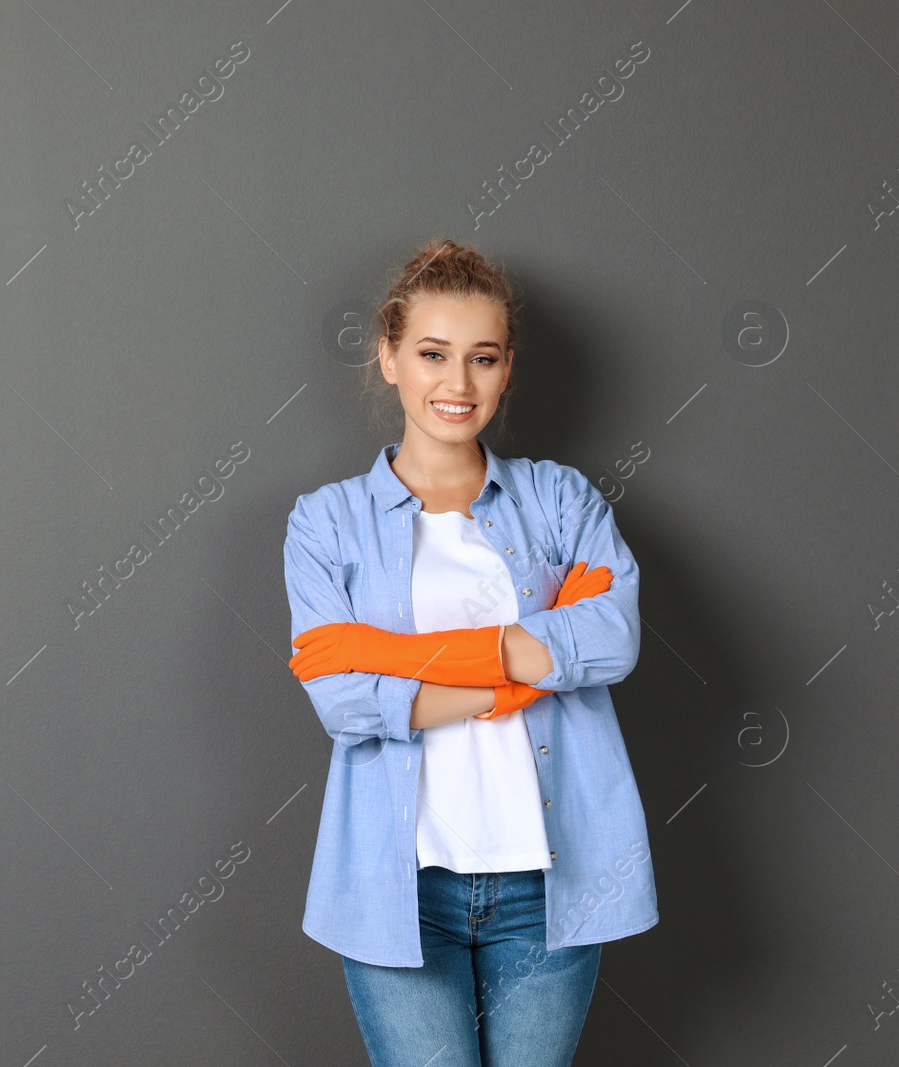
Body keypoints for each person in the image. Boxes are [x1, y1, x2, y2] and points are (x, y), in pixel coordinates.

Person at [282, 237, 657, 1067]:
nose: (458, 384)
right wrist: (515, 678)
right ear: (388, 357)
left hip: (547, 886)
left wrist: (382, 651)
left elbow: (613, 636)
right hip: (397, 888)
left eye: (482, 358)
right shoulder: (326, 522)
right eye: (432, 354)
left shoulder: (560, 499)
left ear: (508, 367)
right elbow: (344, 702)